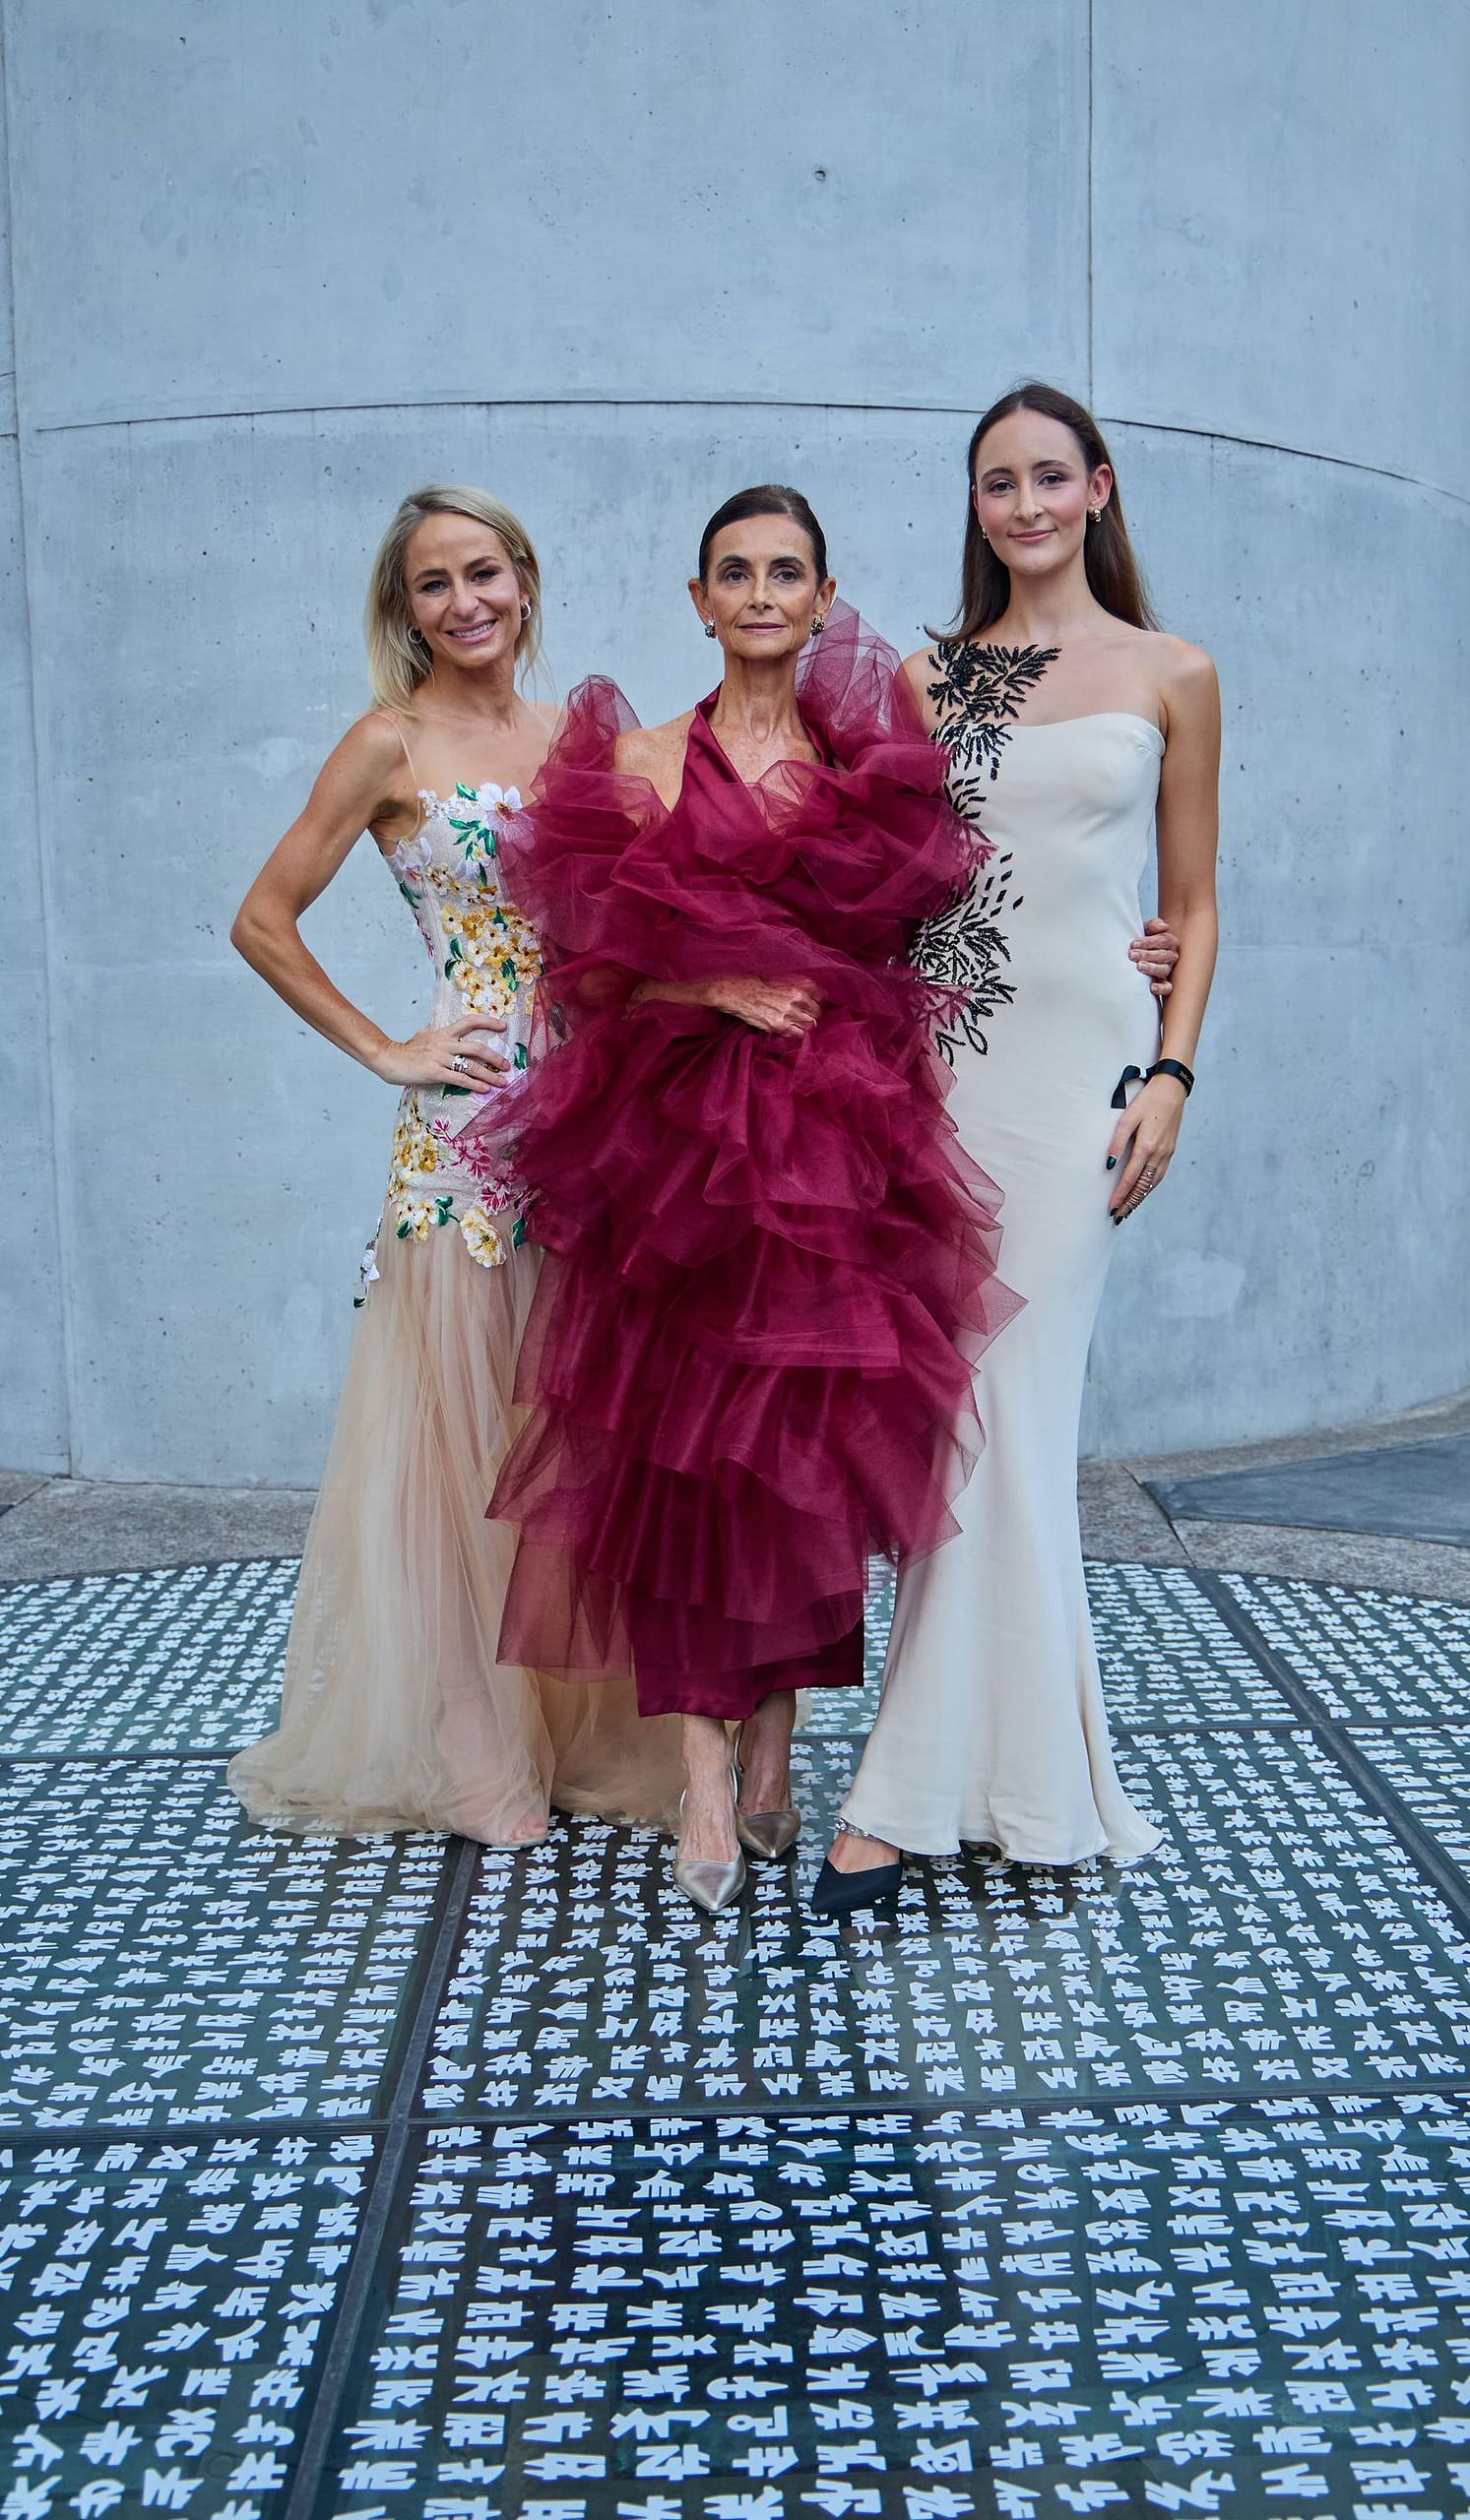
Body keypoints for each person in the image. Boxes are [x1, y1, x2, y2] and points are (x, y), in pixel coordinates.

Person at [466, 486, 1013, 1912]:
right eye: (735, 572)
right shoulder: (643, 761)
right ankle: (704, 1778)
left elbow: (908, 948)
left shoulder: (862, 771)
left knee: (803, 1454)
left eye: (786, 573)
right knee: (683, 1456)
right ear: (700, 600)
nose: (761, 594)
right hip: (678, 1158)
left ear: (822, 599)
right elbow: (585, 967)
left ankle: (773, 1750)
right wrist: (716, 983)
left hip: (837, 1149)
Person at [226, 485, 680, 1845]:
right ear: (406, 609)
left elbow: (667, 902)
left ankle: (571, 1726)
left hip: (592, 1124)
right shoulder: (388, 741)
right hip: (468, 1139)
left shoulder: (578, 739)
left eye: (483, 572)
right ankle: (478, 1754)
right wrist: (388, 1046)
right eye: (433, 584)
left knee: (572, 1430)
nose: (464, 601)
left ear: (524, 580)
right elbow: (263, 919)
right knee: (454, 1444)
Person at [818, 382, 1220, 1912]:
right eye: (1000, 483)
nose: (1028, 504)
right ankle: (1011, 1773)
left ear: (1099, 489)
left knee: (1015, 1403)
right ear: (976, 506)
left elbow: (1196, 901)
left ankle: (902, 1792)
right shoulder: (932, 680)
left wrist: (1173, 1070)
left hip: (1084, 1086)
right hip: (950, 1068)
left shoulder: (1174, 672)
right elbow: (885, 880)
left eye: (1053, 477)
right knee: (962, 1416)